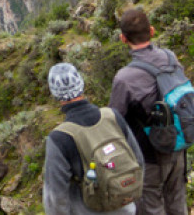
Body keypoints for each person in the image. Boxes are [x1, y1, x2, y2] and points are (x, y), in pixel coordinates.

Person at [109, 8, 189, 215]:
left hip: (149, 156)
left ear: (123, 38)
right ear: (152, 31)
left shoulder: (124, 78)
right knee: (178, 204)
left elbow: (114, 120)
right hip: (178, 147)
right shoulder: (171, 59)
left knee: (151, 208)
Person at [43, 62, 143, 215]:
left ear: (54, 94)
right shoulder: (113, 116)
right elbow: (138, 161)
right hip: (125, 208)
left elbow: (55, 197)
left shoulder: (59, 138)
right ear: (81, 84)